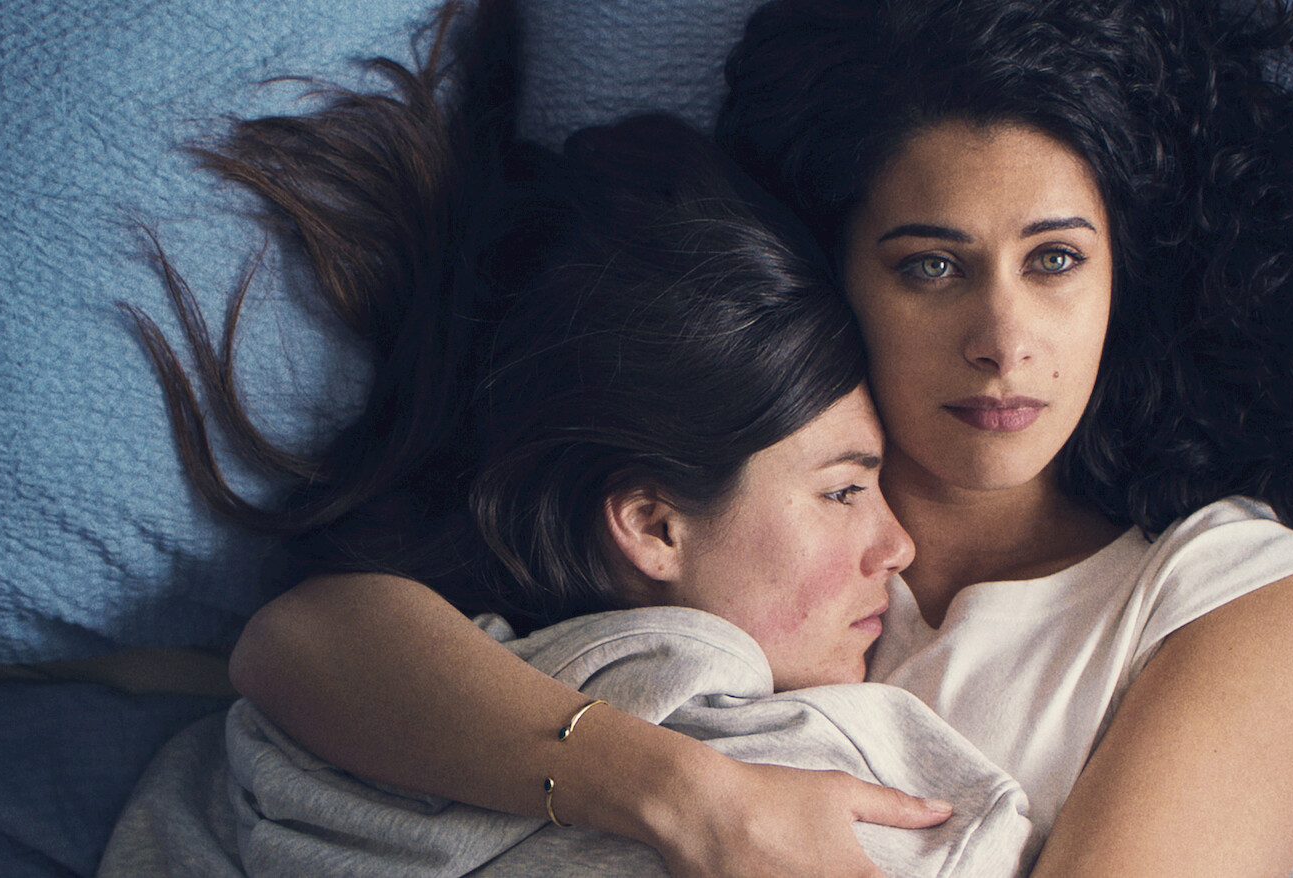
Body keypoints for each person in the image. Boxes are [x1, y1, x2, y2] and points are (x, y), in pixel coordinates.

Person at [225, 0, 1293, 876]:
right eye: (931, 265)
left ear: (1120, 275)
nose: (1004, 342)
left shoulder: (1247, 593)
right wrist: (694, 802)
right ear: (839, 266)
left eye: (1055, 260)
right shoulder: (730, 492)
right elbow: (301, 642)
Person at [98, 4, 1031, 874]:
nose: (898, 546)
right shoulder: (764, 740)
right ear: (654, 525)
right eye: (843, 489)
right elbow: (296, 639)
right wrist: (699, 799)